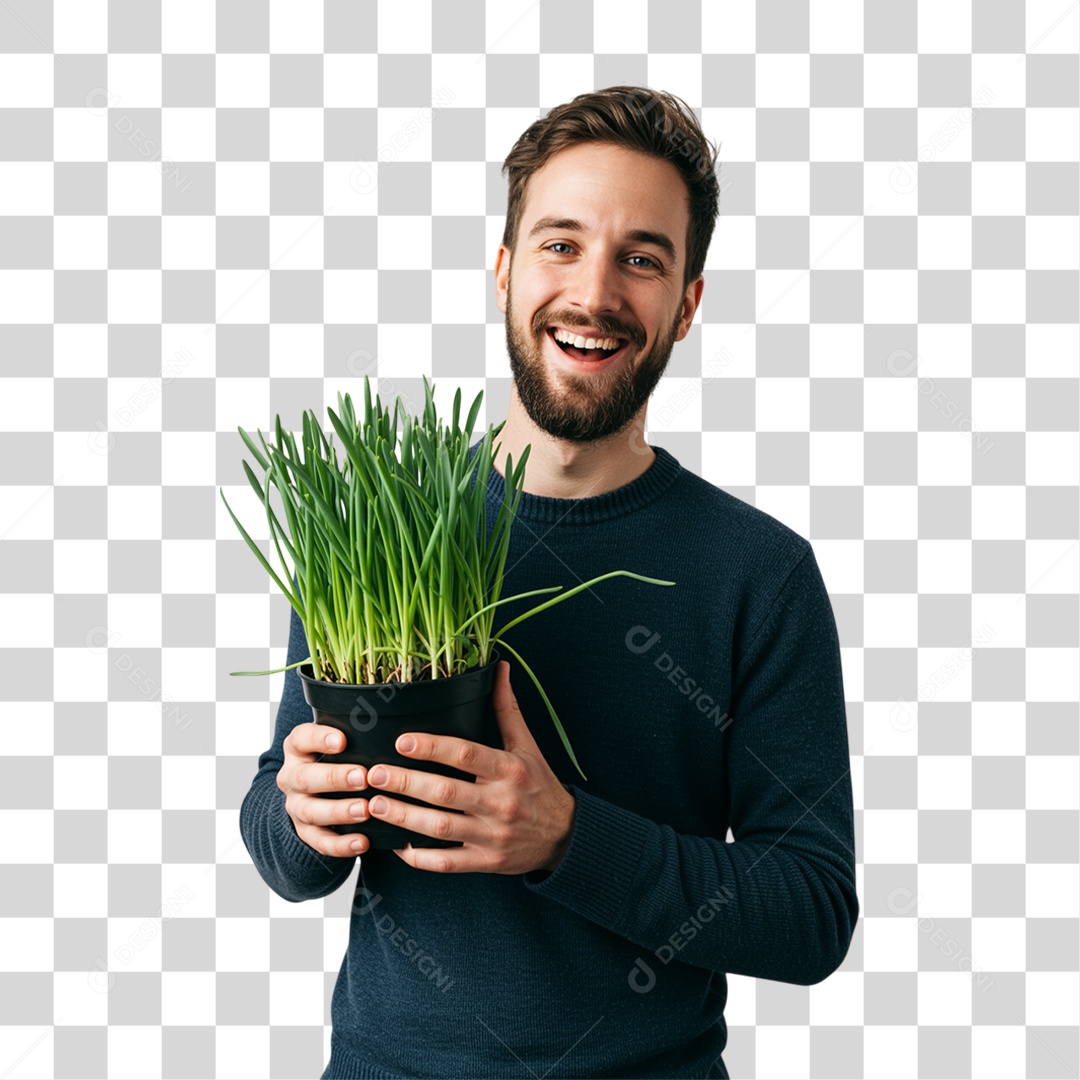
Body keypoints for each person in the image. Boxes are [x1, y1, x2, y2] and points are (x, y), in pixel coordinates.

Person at [240, 86, 859, 1080]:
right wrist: (305, 820)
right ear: (504, 269)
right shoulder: (374, 527)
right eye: (561, 244)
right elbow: (280, 833)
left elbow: (812, 911)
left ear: (687, 304)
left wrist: (567, 839)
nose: (594, 292)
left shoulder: (759, 572)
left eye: (641, 258)